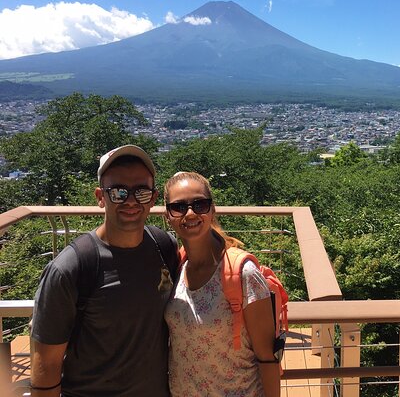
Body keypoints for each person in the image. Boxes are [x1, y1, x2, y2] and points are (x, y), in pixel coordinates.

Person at [30, 145, 178, 396]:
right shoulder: (72, 268)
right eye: (118, 192)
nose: (130, 201)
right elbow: (46, 365)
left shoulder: (164, 247)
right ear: (100, 197)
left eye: (141, 192)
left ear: (153, 199)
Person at [163, 171, 280, 397]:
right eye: (178, 207)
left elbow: (267, 358)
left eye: (200, 205)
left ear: (212, 209)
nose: (190, 214)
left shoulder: (243, 274)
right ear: (167, 215)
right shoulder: (176, 268)